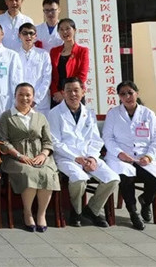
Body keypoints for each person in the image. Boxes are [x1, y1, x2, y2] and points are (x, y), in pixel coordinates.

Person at [48, 77, 119, 228]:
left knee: (112, 178)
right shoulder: (54, 113)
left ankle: (92, 210)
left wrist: (92, 157)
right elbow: (55, 142)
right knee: (79, 179)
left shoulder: (89, 113)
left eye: (76, 90)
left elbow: (96, 139)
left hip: (89, 157)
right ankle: (77, 211)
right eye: (68, 91)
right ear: (63, 93)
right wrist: (76, 158)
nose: (72, 94)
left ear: (83, 92)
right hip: (67, 158)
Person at [103, 81, 156, 231]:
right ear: (119, 97)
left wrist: (149, 156)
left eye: (130, 93)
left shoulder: (148, 114)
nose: (127, 97)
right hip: (120, 157)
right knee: (126, 176)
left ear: (137, 93)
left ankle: (145, 201)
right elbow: (107, 137)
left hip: (143, 157)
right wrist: (120, 153)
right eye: (123, 94)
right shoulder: (113, 114)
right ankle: (133, 212)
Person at [0, 83, 59, 232]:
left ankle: (41, 214)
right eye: (21, 94)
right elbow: (3, 141)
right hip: (15, 158)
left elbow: (48, 141)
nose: (24, 98)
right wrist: (19, 155)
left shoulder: (40, 117)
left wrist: (43, 154)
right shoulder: (7, 116)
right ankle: (27, 212)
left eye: (28, 95)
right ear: (15, 96)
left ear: (33, 97)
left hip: (39, 156)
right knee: (29, 173)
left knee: (47, 173)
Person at [50, 18, 89, 108]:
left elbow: (82, 75)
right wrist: (55, 92)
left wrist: (66, 93)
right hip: (57, 96)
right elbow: (50, 74)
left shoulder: (82, 51)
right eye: (61, 29)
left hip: (74, 94)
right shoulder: (54, 51)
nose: (65, 32)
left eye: (68, 29)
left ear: (74, 30)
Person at [17, 23, 52, 112]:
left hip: (40, 102)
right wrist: (21, 97)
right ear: (19, 35)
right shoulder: (14, 55)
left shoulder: (44, 54)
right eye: (25, 33)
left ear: (35, 36)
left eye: (31, 33)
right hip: (20, 100)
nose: (28, 36)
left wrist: (36, 99)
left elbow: (47, 78)